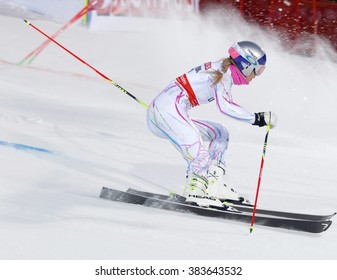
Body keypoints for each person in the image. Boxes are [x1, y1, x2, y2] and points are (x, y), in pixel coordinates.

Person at [146, 41, 277, 207]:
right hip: (165, 112)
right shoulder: (223, 74)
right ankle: (195, 189)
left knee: (220, 133)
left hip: (168, 111)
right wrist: (256, 118)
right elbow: (225, 106)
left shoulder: (223, 70)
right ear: (245, 65)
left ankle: (213, 184)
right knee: (199, 152)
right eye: (257, 70)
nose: (256, 76)